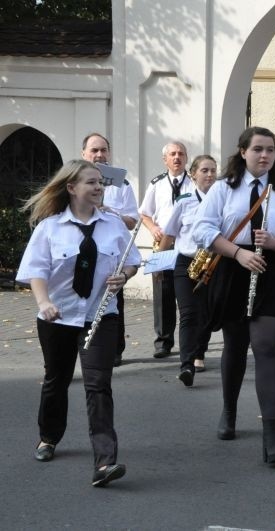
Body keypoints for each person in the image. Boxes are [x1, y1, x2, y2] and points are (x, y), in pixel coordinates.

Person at [17, 159, 141, 487]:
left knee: (98, 384)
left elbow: (132, 261)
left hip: (101, 315)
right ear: (72, 188)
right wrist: (44, 303)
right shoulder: (50, 227)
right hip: (57, 315)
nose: (99, 187)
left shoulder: (114, 225)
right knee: (56, 380)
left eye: (100, 182)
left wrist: (123, 277)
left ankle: (105, 461)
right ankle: (48, 437)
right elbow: (36, 271)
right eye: (91, 182)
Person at [193, 126, 275, 464]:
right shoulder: (223, 189)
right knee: (236, 343)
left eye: (270, 150)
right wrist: (238, 253)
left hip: (272, 268)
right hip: (233, 265)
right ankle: (229, 410)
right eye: (258, 149)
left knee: (267, 345)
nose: (264, 156)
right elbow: (203, 229)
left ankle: (271, 434)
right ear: (242, 151)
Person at [81, 133, 139, 367]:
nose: (100, 155)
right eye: (94, 150)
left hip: (110, 254)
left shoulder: (122, 184)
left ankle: (114, 349)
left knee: (113, 301)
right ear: (83, 153)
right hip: (81, 252)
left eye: (104, 150)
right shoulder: (72, 180)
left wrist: (109, 212)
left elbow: (133, 221)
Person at [161, 155, 218, 385]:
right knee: (188, 313)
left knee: (207, 313)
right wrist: (159, 264)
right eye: (204, 170)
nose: (210, 175)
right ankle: (186, 365)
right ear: (193, 174)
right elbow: (169, 234)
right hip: (186, 263)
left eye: (213, 170)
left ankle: (199, 352)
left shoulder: (222, 200)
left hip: (213, 262)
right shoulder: (184, 200)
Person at [139, 141, 194, 358]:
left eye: (181, 153)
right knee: (162, 293)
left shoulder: (194, 183)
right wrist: (152, 228)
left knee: (188, 293)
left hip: (186, 245)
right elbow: (144, 213)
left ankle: (191, 341)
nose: (177, 157)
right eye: (172, 154)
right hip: (162, 245)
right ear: (165, 159)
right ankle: (163, 341)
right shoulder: (156, 184)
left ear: (186, 158)